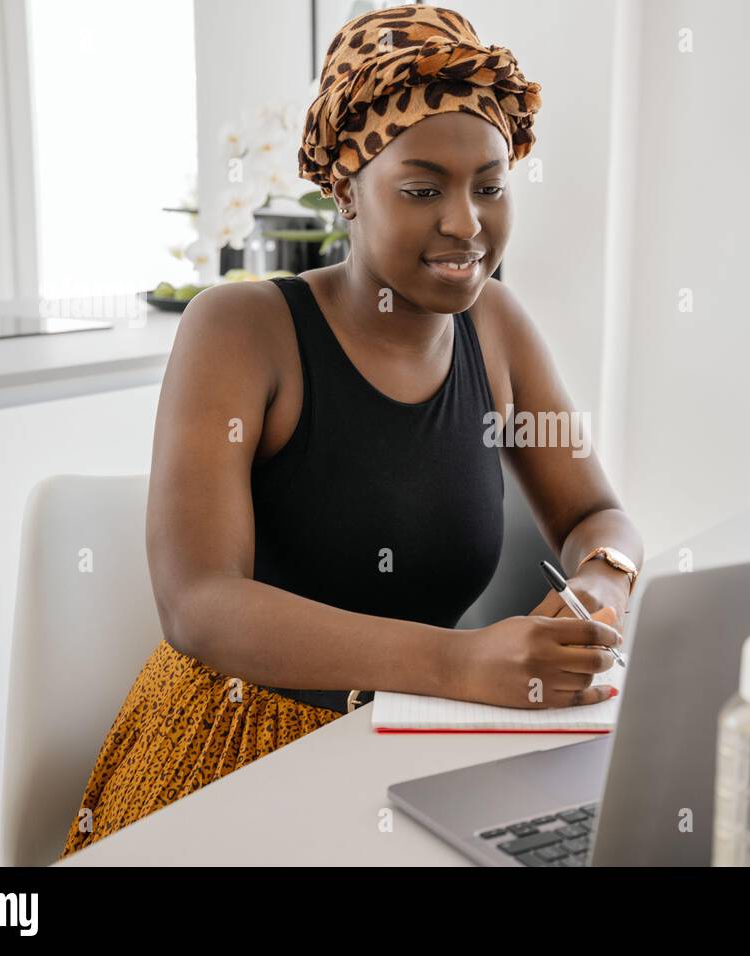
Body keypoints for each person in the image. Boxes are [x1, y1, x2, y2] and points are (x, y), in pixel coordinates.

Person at [61, 3, 642, 858]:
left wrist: (603, 589)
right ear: (345, 191)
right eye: (421, 189)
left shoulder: (499, 328)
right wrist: (462, 664)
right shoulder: (242, 327)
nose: (466, 223)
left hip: (413, 746)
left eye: (488, 185)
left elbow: (598, 513)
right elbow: (199, 603)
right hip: (234, 750)